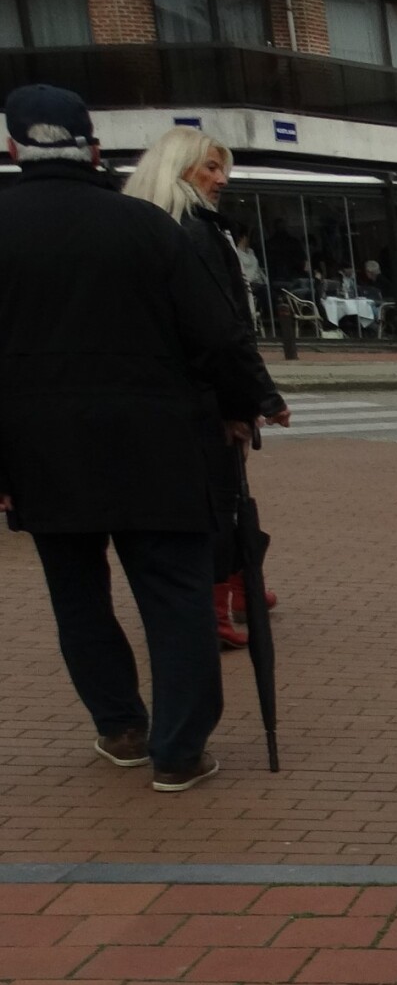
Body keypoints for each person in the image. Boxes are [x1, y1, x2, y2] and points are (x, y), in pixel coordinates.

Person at [0, 86, 275, 793]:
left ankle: (121, 725)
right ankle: (180, 748)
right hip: (156, 442)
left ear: (12, 148)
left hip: (43, 450)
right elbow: (215, 335)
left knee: (78, 596)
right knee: (175, 595)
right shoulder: (145, 227)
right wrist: (251, 401)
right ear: (93, 149)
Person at [124, 126, 290, 650]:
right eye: (211, 168)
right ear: (180, 168)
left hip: (163, 392)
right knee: (218, 498)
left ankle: (236, 585)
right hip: (200, 393)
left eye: (224, 169)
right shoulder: (194, 231)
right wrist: (254, 397)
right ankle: (218, 600)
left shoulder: (146, 225)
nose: (221, 179)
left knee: (215, 497)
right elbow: (221, 328)